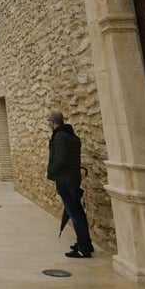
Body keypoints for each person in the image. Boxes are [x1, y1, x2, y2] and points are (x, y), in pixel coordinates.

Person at [47, 110, 93, 258]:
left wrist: (50, 171)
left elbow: (61, 159)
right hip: (73, 178)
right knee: (78, 212)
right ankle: (85, 243)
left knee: (75, 214)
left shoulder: (60, 136)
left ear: (52, 122)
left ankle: (83, 248)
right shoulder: (72, 136)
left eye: (49, 122)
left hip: (65, 180)